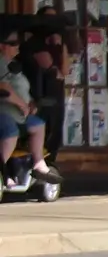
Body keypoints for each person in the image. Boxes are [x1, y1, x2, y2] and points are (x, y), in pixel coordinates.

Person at [0, 32, 63, 187]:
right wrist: (22, 104)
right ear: (2, 46)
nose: (17, 46)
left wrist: (31, 103)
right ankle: (3, 171)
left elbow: (21, 89)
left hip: (20, 114)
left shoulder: (13, 64)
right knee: (10, 132)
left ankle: (38, 163)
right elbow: (4, 89)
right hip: (4, 112)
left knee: (38, 124)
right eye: (13, 43)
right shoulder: (1, 62)